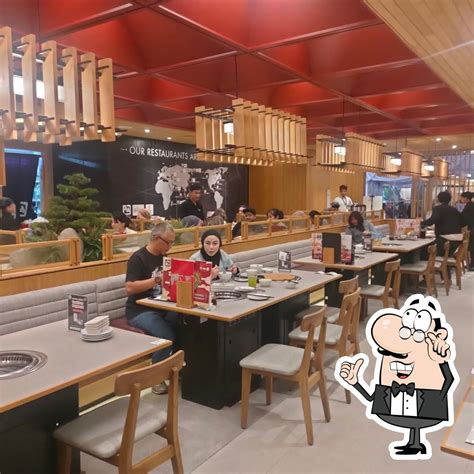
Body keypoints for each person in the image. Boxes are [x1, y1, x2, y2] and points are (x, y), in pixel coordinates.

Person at [125, 222, 178, 394]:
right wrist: (156, 280)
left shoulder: (164, 257)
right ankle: (155, 379)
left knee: (184, 322)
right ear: (156, 238)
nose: (170, 246)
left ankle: (177, 369)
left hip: (161, 305)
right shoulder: (138, 258)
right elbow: (130, 288)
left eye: (172, 242)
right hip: (139, 310)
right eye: (168, 242)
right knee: (166, 335)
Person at [421, 191, 463, 256]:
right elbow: (461, 221)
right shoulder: (454, 209)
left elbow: (432, 221)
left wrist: (420, 223)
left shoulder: (437, 208)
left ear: (439, 199)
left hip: (444, 241)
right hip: (455, 241)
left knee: (424, 250)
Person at [460, 191, 474, 270]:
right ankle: (471, 264)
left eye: (461, 197)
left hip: (472, 228)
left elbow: (462, 217)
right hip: (471, 227)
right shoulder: (471, 205)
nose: (461, 199)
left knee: (472, 247)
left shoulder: (469, 206)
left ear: (465, 198)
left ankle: (472, 265)